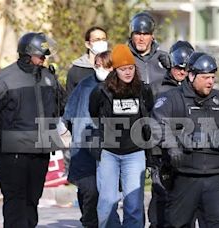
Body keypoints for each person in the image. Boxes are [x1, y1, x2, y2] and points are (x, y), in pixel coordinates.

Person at [0, 32, 66, 228]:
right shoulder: (5, 78)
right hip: (11, 151)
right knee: (15, 200)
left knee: (32, 199)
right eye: (41, 55)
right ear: (28, 54)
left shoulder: (49, 78)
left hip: (40, 149)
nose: (44, 59)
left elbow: (63, 105)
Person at [151, 52, 219, 227]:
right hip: (184, 177)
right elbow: (156, 123)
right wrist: (172, 147)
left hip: (216, 176)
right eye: (205, 77)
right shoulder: (172, 98)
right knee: (179, 224)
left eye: (212, 77)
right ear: (191, 75)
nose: (210, 81)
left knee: (217, 224)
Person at [89, 44, 154, 228]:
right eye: (123, 69)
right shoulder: (101, 91)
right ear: (115, 70)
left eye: (131, 68)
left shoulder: (143, 90)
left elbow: (148, 112)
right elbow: (94, 114)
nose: (127, 72)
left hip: (135, 153)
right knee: (107, 203)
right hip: (108, 152)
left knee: (133, 205)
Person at [148, 40, 196, 228]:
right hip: (161, 154)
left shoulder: (195, 89)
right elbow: (147, 120)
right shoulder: (155, 87)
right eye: (178, 67)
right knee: (161, 197)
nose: (182, 72)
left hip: (188, 152)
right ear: (170, 64)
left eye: (186, 69)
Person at [63, 50, 112, 228]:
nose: (100, 69)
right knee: (88, 189)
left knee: (104, 192)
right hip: (84, 147)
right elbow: (68, 114)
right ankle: (89, 221)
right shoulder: (84, 86)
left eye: (105, 66)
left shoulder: (119, 87)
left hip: (110, 149)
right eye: (97, 65)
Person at [128, 12, 170, 84]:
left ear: (152, 36)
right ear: (131, 36)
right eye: (138, 34)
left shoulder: (164, 59)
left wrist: (170, 68)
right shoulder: (124, 57)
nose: (141, 39)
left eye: (145, 34)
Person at [66, 26, 108, 94]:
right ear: (88, 44)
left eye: (104, 39)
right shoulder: (76, 71)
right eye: (97, 40)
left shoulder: (113, 68)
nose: (101, 42)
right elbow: (70, 99)